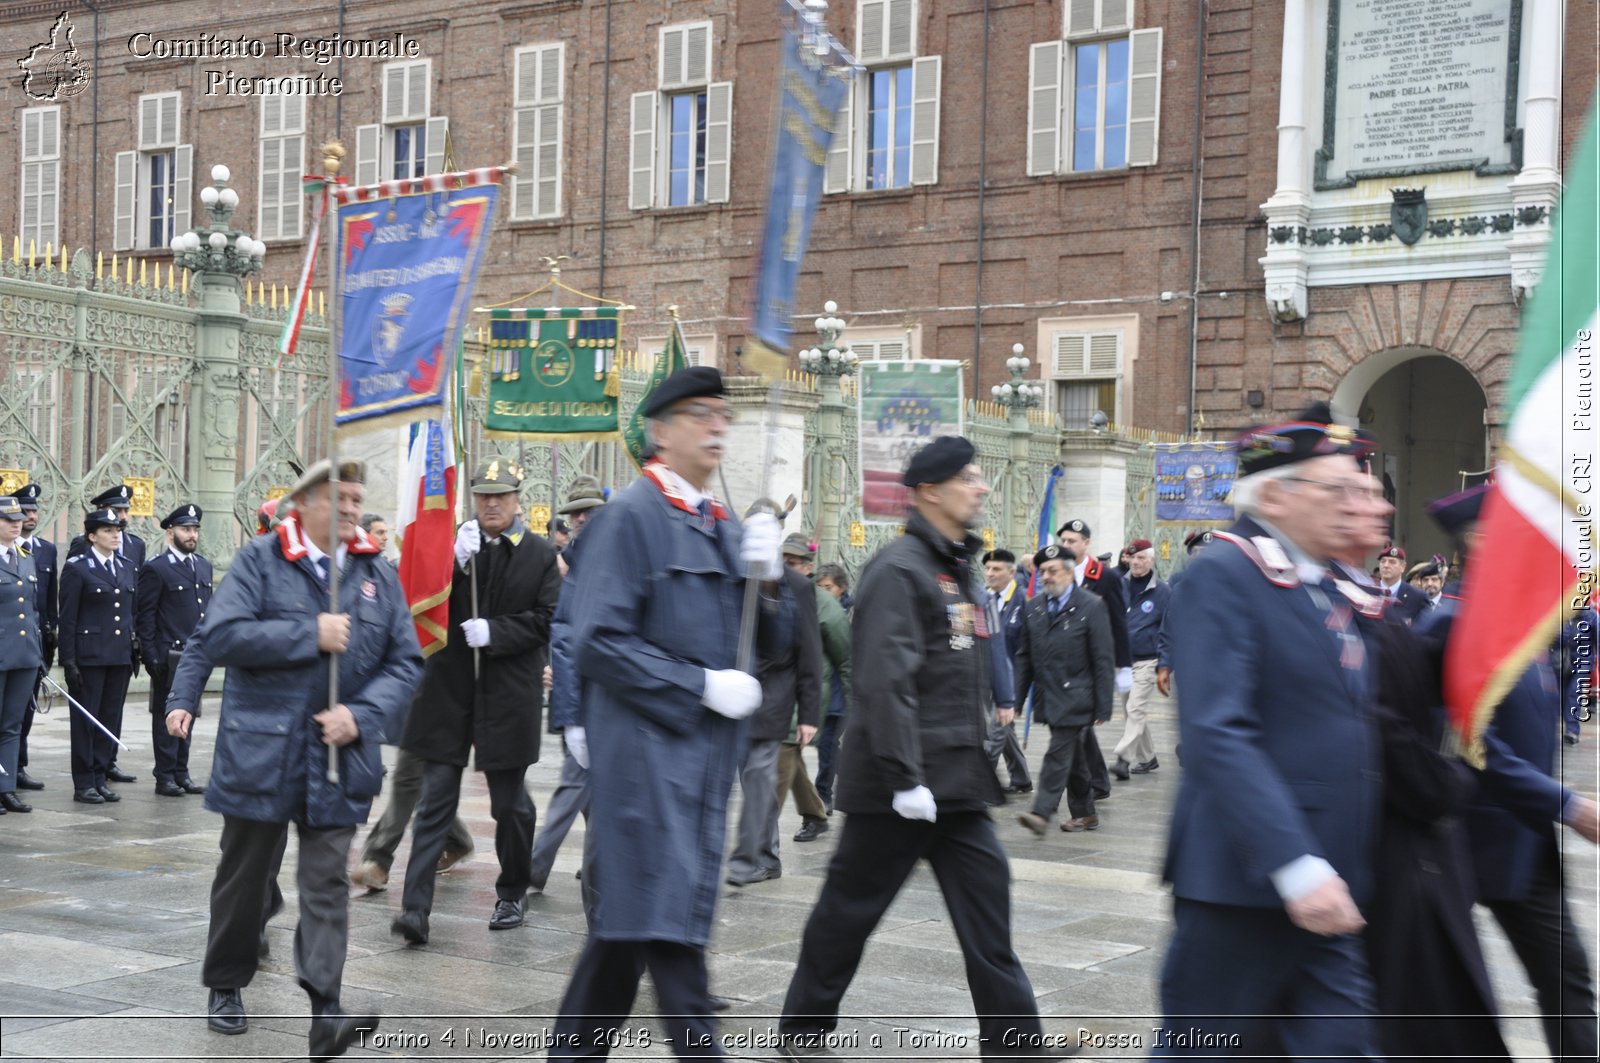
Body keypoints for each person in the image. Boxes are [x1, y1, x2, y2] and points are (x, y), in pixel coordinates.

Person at [776, 436, 1048, 1059]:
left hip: (955, 782)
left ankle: (1015, 1044)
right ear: (929, 491)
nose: (981, 487)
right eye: (969, 478)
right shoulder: (899, 569)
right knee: (849, 912)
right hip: (897, 790)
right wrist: (903, 779)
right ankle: (800, 1035)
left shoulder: (955, 569)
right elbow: (884, 679)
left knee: (987, 909)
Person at [549, 366, 782, 1060]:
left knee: (628, 933)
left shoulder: (718, 521)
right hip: (646, 759)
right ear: (660, 430)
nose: (717, 426)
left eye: (723, 414)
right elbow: (598, 640)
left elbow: (769, 639)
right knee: (672, 934)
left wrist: (771, 584)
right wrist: (699, 685)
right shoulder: (630, 518)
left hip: (700, 764)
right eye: (700, 413)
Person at [1155, 404, 1383, 1057]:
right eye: (1334, 488)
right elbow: (1216, 731)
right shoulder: (1224, 574)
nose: (1351, 502)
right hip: (1245, 880)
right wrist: (1294, 864)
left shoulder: (1323, 584)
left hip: (1327, 879)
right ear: (1278, 494)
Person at [184, 459, 422, 1060]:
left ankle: (326, 1010)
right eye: (337, 499)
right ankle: (226, 982)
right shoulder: (261, 561)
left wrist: (362, 716)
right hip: (262, 751)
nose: (349, 509)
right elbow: (221, 636)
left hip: (340, 756)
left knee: (325, 885)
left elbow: (405, 663)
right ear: (302, 504)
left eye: (357, 499)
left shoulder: (375, 572)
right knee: (244, 879)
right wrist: (306, 634)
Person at [1425, 484, 1599, 1061]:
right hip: (1459, 844)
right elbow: (1473, 744)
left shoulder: (1519, 623)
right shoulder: (1451, 625)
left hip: (1523, 848)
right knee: (1452, 1003)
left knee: (1569, 985)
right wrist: (1566, 805)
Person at [390, 459, 562, 944]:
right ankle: (415, 910)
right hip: (450, 692)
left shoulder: (539, 555)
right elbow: (421, 596)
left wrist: (498, 632)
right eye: (483, 496)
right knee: (435, 805)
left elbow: (548, 618)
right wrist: (453, 562)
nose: (491, 504)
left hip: (508, 694)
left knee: (510, 806)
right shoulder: (456, 548)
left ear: (516, 501)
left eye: (500, 496)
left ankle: (511, 890)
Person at [726, 532, 822, 886]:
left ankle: (759, 858)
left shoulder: (798, 586)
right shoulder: (738, 579)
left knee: (758, 778)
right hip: (737, 694)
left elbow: (810, 650)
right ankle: (759, 855)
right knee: (750, 779)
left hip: (777, 696)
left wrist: (809, 714)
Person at [529, 473, 607, 895]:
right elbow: (563, 635)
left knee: (575, 792)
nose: (579, 519)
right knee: (581, 788)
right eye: (574, 513)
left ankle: (534, 871)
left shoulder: (600, 559)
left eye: (587, 511)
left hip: (605, 698)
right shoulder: (574, 562)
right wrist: (569, 709)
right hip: (583, 698)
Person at [1012, 544, 1114, 835]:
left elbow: (1103, 659)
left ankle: (1041, 812)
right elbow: (1024, 657)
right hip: (1049, 695)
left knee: (1058, 753)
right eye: (1042, 571)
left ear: (1069, 574)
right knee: (1074, 757)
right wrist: (1017, 699)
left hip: (1077, 696)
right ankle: (1086, 814)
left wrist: (1103, 705)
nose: (1046, 576)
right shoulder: (1034, 608)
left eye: (1053, 571)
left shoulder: (1091, 606)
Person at [59, 507, 138, 804]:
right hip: (89, 657)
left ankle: (100, 776)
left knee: (109, 719)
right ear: (92, 536)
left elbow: (132, 612)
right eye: (107, 530)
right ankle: (83, 782)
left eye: (117, 529)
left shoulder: (127, 566)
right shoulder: (78, 568)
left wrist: (134, 650)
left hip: (118, 656)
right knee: (86, 721)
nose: (115, 534)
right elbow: (67, 619)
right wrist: (68, 661)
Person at [135, 503, 212, 796]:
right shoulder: (157, 568)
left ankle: (182, 772)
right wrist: (151, 655)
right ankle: (164, 774)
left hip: (195, 654)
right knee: (166, 717)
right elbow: (146, 616)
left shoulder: (201, 565)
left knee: (189, 713)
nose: (192, 535)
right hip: (169, 654)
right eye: (185, 529)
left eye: (194, 529)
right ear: (171, 533)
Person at [1055, 519, 1130, 795]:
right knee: (1079, 725)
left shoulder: (1105, 576)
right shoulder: (1055, 573)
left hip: (1093, 663)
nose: (1066, 545)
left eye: (1072, 541)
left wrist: (1124, 666)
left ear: (1086, 543)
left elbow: (1119, 622)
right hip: (1064, 662)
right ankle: (1097, 781)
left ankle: (1089, 782)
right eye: (1062, 540)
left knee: (1080, 724)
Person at [0, 496, 43, 814]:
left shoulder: (26, 557)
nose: (16, 523)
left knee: (12, 725)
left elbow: (32, 611)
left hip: (24, 656)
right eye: (8, 519)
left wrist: (38, 654)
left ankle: (6, 788)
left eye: (18, 519)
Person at [1113, 539, 1168, 779]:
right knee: (1130, 710)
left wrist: (1166, 663)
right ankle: (1148, 758)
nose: (1136, 562)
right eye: (1132, 557)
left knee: (1136, 708)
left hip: (1148, 659)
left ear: (1151, 560)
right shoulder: (1119, 585)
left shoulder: (1163, 592)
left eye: (1141, 558)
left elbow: (1170, 629)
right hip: (1124, 660)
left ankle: (1123, 758)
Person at [981, 548, 1033, 795]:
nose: (990, 573)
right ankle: (1021, 778)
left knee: (994, 733)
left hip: (1012, 679)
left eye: (996, 569)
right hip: (987, 677)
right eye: (988, 568)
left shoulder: (1024, 601)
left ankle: (980, 783)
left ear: (1011, 572)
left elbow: (1029, 645)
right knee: (1006, 730)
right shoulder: (983, 600)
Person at [12, 482, 53, 792]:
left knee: (20, 717)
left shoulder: (39, 553)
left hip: (31, 646)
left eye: (32, 511)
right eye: (23, 512)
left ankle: (15, 773)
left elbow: (45, 604)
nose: (28, 517)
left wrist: (45, 646)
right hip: (6, 646)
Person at [1373, 544, 1426, 622]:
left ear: (1403, 567)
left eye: (1392, 562)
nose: (1386, 565)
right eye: (1383, 561)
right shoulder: (1368, 591)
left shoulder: (1417, 597)